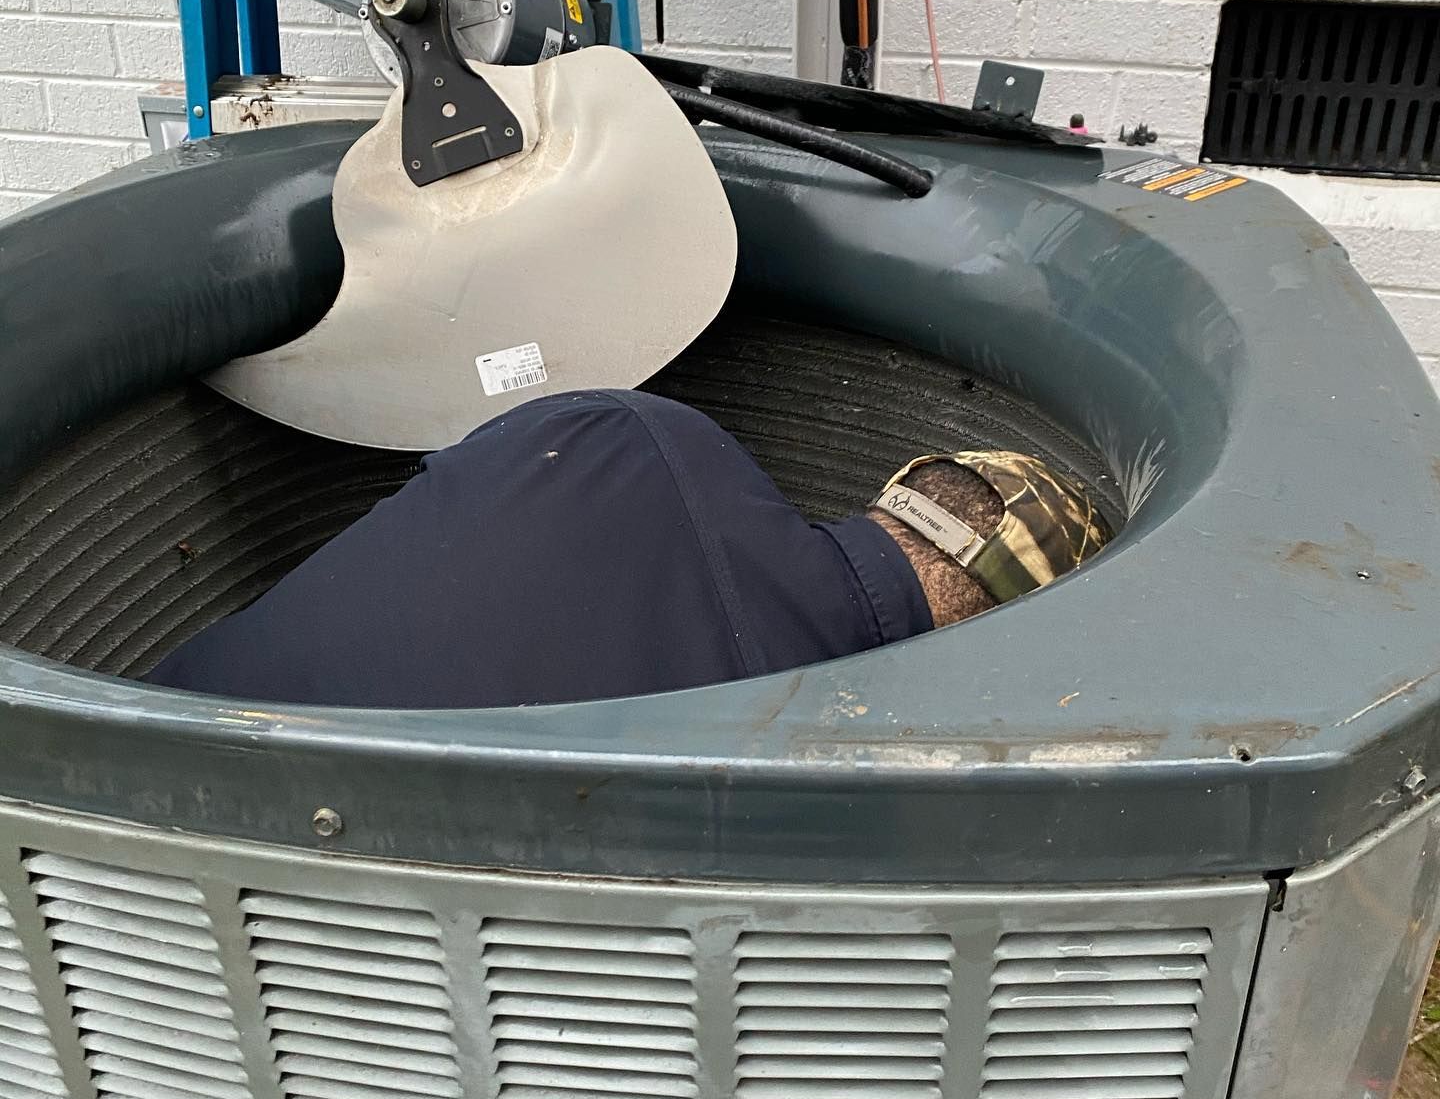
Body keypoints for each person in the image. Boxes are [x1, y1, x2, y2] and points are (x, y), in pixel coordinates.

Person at [149, 391, 1112, 708]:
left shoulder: (634, 432)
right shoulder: (800, 766)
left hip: (120, 759)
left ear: (896, 501)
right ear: (993, 621)